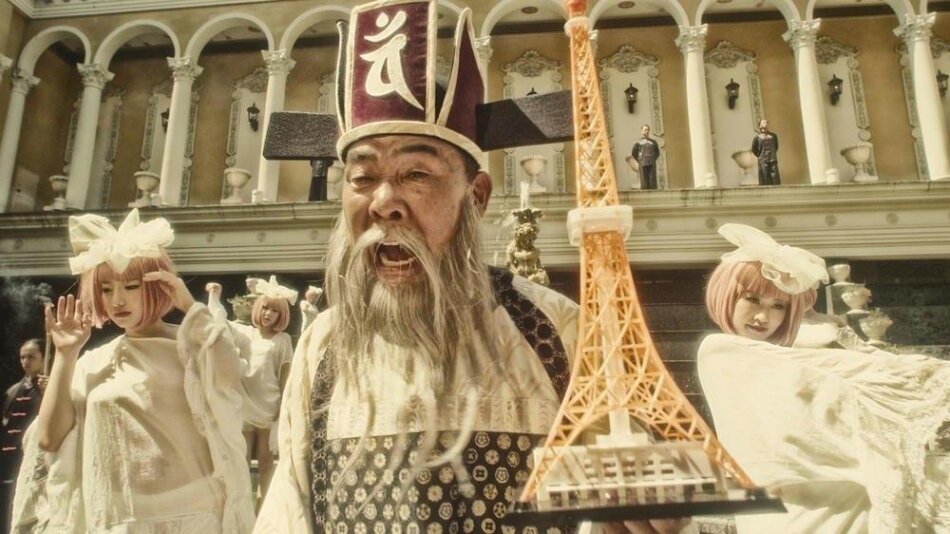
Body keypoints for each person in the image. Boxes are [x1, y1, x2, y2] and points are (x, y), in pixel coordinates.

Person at [255, 2, 689, 533]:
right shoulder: (324, 344)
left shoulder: (554, 329)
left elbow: (628, 499)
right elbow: (290, 508)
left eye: (416, 174)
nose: (384, 203)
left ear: (476, 196)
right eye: (362, 178)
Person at [13, 209, 255, 533]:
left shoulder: (196, 345)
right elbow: (48, 439)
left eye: (130, 286)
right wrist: (65, 356)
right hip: (116, 519)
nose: (117, 300)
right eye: (106, 289)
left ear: (156, 286)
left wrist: (190, 307)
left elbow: (234, 380)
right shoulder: (93, 362)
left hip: (194, 516)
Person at [698, 223, 949, 533]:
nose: (764, 316)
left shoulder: (788, 355)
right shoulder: (720, 350)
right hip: (796, 513)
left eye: (779, 306)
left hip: (840, 504)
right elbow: (839, 385)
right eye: (752, 300)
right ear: (726, 297)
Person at [207, 275, 296, 504]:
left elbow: (285, 373)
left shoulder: (282, 340)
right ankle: (243, 504)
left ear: (281, 315)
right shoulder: (245, 333)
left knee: (266, 459)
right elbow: (220, 322)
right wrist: (215, 295)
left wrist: (283, 407)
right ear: (257, 309)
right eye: (265, 308)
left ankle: (265, 503)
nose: (268, 314)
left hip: (268, 405)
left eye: (274, 310)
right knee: (242, 459)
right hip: (245, 403)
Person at [0, 340, 46, 533]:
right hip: (8, 464)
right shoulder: (12, 392)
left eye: (31, 357)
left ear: (43, 357)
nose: (26, 361)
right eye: (22, 357)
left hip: (33, 462)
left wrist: (50, 391)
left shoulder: (51, 389)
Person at [750, 119, 780, 186]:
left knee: (775, 178)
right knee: (765, 178)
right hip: (763, 161)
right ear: (760, 126)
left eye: (767, 122)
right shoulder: (757, 138)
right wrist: (760, 156)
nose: (766, 123)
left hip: (772, 159)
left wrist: (772, 153)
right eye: (764, 122)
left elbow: (776, 146)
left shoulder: (773, 136)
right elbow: (754, 149)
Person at [631, 124, 660, 190]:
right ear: (641, 131)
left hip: (651, 162)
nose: (647, 131)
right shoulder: (638, 142)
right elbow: (634, 152)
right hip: (643, 162)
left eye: (648, 130)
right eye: (645, 130)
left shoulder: (653, 142)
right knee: (644, 179)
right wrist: (639, 160)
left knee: (652, 179)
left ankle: (653, 191)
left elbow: (657, 152)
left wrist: (653, 159)